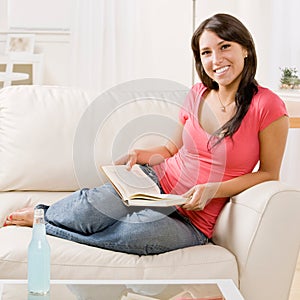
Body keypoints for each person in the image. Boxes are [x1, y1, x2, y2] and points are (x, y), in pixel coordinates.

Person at [3, 13, 288, 255]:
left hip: (194, 218)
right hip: (155, 183)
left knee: (134, 236)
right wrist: (145, 155)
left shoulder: (268, 105)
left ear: (246, 49)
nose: (216, 59)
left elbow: (268, 173)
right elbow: (171, 149)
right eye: (206, 53)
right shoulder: (197, 93)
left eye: (225, 47)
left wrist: (215, 190)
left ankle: (47, 224)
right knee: (91, 208)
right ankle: (46, 212)